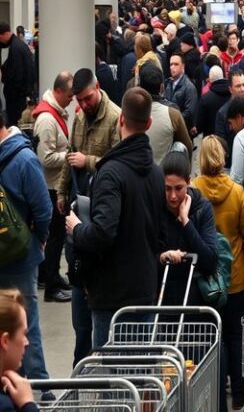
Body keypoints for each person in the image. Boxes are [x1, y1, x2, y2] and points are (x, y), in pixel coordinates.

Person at [65, 87, 166, 349]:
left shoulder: (110, 173)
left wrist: (76, 228)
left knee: (112, 380)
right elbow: (160, 233)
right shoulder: (156, 174)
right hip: (145, 289)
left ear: (121, 119)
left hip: (112, 295)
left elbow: (103, 232)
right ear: (149, 123)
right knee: (138, 377)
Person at [55, 68, 121, 363]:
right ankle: (80, 368)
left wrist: (89, 161)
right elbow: (70, 157)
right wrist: (60, 192)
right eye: (79, 101)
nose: (83, 105)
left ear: (98, 88)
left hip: (102, 214)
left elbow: (119, 163)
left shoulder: (115, 118)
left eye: (87, 98)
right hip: (78, 210)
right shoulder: (79, 118)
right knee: (79, 306)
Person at [192, 136, 244, 412]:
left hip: (204, 280)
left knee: (208, 337)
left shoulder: (193, 190)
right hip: (234, 277)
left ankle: (213, 392)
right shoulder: (236, 191)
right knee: (234, 335)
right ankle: (239, 393)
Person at [0, 113, 53, 394]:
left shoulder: (22, 158)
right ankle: (37, 388)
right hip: (22, 254)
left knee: (20, 324)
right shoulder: (25, 159)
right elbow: (43, 210)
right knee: (25, 323)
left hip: (16, 259)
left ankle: (32, 387)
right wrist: (39, 240)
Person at [32, 72, 73, 303]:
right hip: (51, 186)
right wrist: (69, 156)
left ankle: (53, 276)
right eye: (69, 95)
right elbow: (45, 158)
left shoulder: (54, 112)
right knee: (55, 237)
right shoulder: (47, 120)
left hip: (55, 183)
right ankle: (51, 284)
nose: (72, 99)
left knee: (56, 236)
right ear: (58, 91)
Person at [158, 150, 217, 307]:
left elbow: (210, 261)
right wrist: (162, 257)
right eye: (167, 189)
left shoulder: (202, 208)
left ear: (189, 182)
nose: (173, 196)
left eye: (178, 188)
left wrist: (185, 222)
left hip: (195, 301)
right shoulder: (155, 208)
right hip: (161, 299)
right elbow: (144, 255)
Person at [138, 63, 193, 164]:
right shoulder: (172, 114)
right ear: (161, 87)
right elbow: (187, 147)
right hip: (164, 175)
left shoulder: (130, 111)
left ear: (140, 86)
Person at [0, 289, 40, 412]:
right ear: (5, 341)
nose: (26, 342)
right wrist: (28, 404)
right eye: (23, 334)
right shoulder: (3, 405)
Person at [0, 21, 35, 127]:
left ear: (5, 34)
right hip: (19, 96)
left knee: (16, 124)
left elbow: (17, 75)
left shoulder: (15, 48)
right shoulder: (18, 45)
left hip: (16, 98)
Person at [164, 53, 198, 132]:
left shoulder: (189, 87)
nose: (172, 67)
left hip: (182, 130)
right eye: (171, 64)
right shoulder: (169, 83)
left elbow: (189, 113)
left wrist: (172, 120)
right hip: (170, 129)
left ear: (183, 66)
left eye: (176, 64)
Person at [196, 65, 230, 137]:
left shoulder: (205, 99)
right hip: (229, 139)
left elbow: (199, 126)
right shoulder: (232, 94)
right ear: (223, 76)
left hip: (211, 141)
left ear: (210, 80)